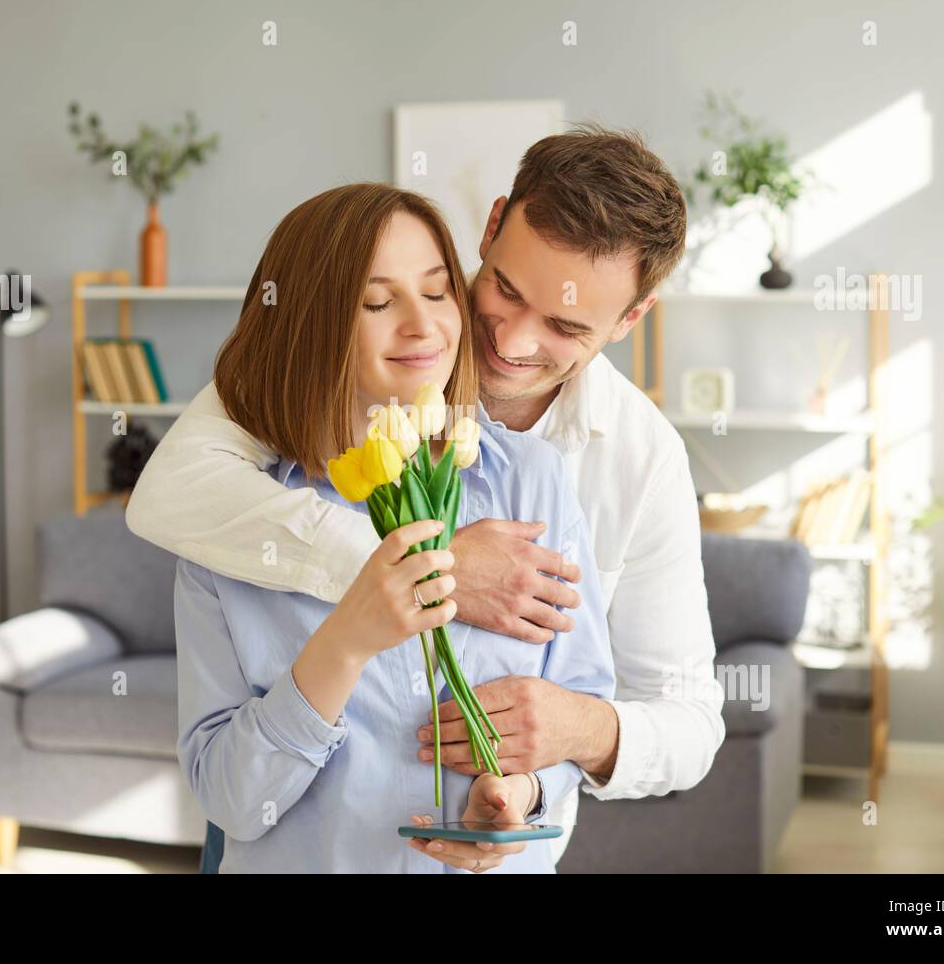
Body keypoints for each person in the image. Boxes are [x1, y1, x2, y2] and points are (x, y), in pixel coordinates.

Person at [130, 126, 725, 871]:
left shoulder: (618, 463)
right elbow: (174, 490)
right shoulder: (273, 446)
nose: (509, 341)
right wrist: (425, 572)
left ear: (629, 320)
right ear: (491, 227)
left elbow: (688, 721)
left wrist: (570, 738)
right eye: (503, 289)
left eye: (565, 325)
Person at [173, 182, 615, 873]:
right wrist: (345, 643)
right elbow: (230, 802)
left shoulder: (531, 478)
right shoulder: (236, 518)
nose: (422, 326)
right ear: (310, 324)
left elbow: (580, 702)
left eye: (438, 293)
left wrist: (520, 792)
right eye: (378, 303)